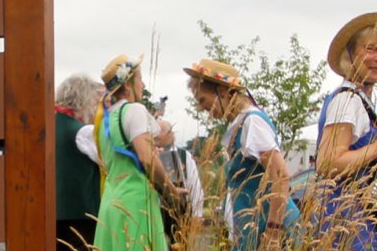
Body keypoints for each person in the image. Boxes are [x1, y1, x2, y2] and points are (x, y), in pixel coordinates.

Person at [185, 58, 299, 251]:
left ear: (223, 92)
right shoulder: (239, 125)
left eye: (203, 100)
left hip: (270, 229)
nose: (201, 107)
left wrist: (273, 234)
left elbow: (280, 176)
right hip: (254, 229)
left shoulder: (252, 122)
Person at [315, 12, 377, 251]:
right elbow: (327, 163)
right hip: (345, 218)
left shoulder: (362, 101)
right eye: (371, 49)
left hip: (359, 216)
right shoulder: (347, 100)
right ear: (351, 55)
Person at [93, 54, 184, 251]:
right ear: (127, 85)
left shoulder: (104, 121)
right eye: (139, 79)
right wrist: (172, 190)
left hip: (111, 200)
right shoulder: (134, 110)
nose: (143, 84)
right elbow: (147, 158)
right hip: (135, 202)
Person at [54, 74, 103, 251]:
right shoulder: (83, 132)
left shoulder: (47, 126)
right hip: (81, 220)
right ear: (85, 100)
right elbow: (110, 163)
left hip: (49, 215)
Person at [155, 119, 205, 249]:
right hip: (156, 213)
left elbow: (194, 184)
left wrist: (197, 214)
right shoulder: (150, 156)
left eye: (158, 131)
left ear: (170, 134)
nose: (155, 134)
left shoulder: (184, 155)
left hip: (180, 214)